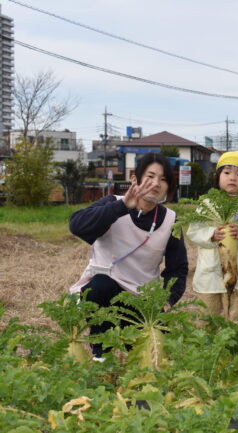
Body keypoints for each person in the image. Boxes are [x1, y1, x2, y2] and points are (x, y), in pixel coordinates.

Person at [69, 152, 188, 358]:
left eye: (163, 179)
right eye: (150, 176)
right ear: (134, 179)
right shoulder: (113, 203)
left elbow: (178, 269)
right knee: (100, 285)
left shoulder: (170, 220)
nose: (156, 183)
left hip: (141, 300)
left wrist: (167, 301)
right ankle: (101, 354)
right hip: (105, 293)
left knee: (159, 351)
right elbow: (77, 225)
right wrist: (122, 206)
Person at [186, 151, 238, 321]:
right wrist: (212, 235)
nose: (233, 178)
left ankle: (236, 339)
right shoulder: (208, 204)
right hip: (210, 276)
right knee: (207, 318)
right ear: (217, 177)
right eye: (227, 172)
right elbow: (194, 231)